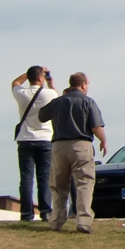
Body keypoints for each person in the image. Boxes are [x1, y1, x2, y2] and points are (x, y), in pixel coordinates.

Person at [37, 73, 106, 234]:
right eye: (87, 83)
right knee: (84, 184)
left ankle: (56, 221)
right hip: (81, 145)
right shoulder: (88, 102)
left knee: (58, 186)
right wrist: (103, 140)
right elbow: (96, 126)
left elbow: (42, 115)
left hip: (59, 146)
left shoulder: (58, 101)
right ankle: (83, 221)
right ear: (83, 84)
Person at [11, 66, 58, 222]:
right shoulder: (49, 94)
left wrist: (29, 72)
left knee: (26, 178)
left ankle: (26, 213)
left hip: (25, 139)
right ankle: (46, 212)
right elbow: (59, 100)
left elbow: (15, 82)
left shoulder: (22, 94)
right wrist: (51, 84)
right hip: (45, 138)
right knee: (44, 177)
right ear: (40, 78)